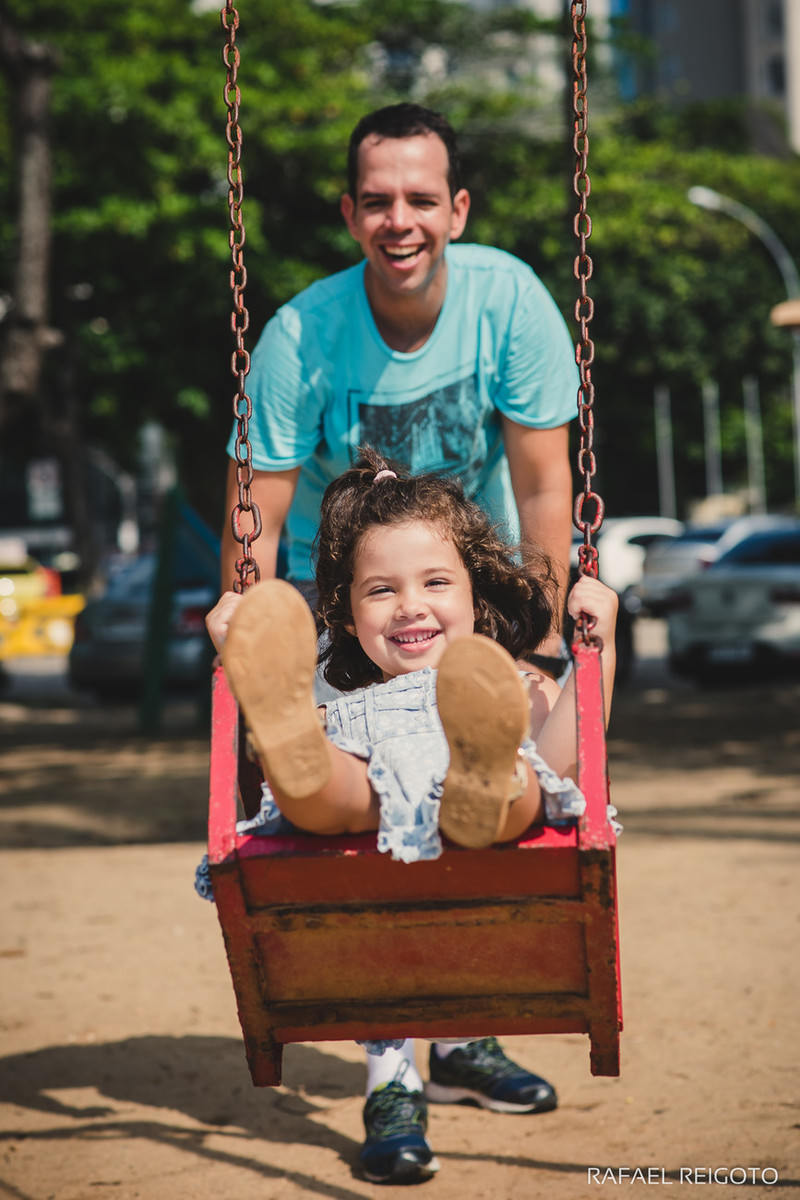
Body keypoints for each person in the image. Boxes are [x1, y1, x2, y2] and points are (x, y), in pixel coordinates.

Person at [215, 99, 581, 1183]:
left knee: (478, 769)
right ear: (347, 213)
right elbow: (260, 506)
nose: (400, 220)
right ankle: (404, 1063)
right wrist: (249, 614)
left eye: (421, 198)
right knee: (362, 807)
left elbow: (540, 481)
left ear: (456, 208)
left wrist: (551, 636)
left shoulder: (508, 302)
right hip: (353, 610)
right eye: (376, 201)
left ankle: (458, 1040)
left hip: (477, 598)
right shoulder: (298, 334)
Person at [203, 449, 618, 1184]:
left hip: (481, 804)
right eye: (379, 591)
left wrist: (597, 649)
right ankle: (291, 748)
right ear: (345, 611)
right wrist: (245, 663)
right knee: (330, 794)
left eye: (434, 582)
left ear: (476, 590)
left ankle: (483, 778)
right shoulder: (341, 698)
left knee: (525, 784)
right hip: (367, 796)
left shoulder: (506, 682)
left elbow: (570, 760)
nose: (409, 606)